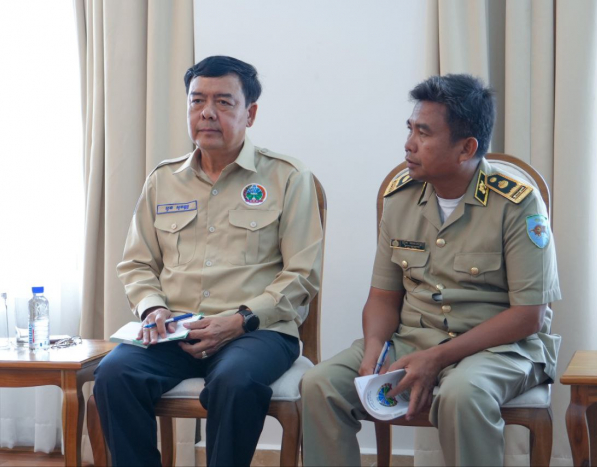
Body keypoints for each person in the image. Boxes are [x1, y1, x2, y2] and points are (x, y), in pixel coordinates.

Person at [301, 74, 561, 466]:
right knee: (320, 385)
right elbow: (383, 297)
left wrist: (437, 358)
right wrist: (373, 347)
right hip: (413, 340)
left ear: (466, 148)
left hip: (499, 349)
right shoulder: (400, 198)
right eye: (410, 129)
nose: (409, 144)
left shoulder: (517, 203)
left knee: (463, 395)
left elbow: (528, 316)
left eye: (424, 133)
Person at [94, 56, 323, 467]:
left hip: (257, 331)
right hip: (175, 329)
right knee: (114, 374)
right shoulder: (163, 180)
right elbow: (137, 263)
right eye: (197, 101)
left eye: (223, 102)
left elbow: (302, 274)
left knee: (235, 381)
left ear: (250, 113)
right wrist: (152, 308)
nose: (207, 113)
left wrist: (240, 319)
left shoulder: (287, 177)